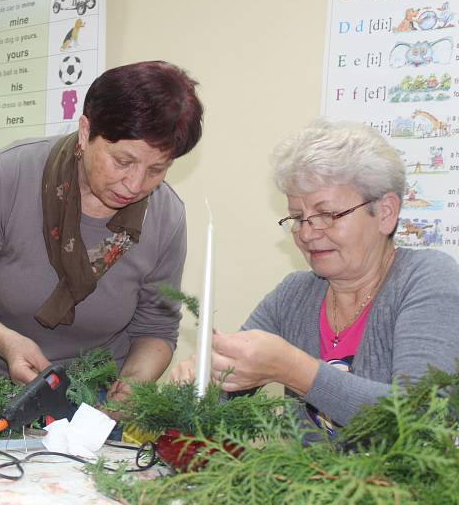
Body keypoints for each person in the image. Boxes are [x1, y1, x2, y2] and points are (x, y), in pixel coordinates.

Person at [0, 60, 204, 407]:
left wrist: (135, 382)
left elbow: (155, 330)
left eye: (156, 169)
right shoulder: (10, 176)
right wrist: (7, 343)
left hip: (91, 401)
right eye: (122, 161)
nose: (135, 184)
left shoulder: (166, 217)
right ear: (85, 130)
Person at [172, 118, 459, 433]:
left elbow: (422, 417)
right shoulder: (294, 294)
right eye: (297, 217)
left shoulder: (429, 278)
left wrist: (294, 369)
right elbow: (223, 404)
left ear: (385, 212)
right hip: (307, 481)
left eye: (327, 215)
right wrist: (203, 379)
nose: (307, 233)